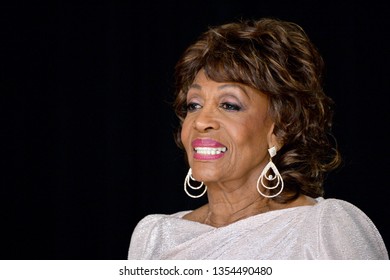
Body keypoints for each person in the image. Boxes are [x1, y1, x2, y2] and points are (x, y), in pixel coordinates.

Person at [128, 18, 388, 259]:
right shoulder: (154, 238)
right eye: (194, 105)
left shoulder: (325, 228)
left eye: (229, 105)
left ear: (280, 129)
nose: (202, 121)